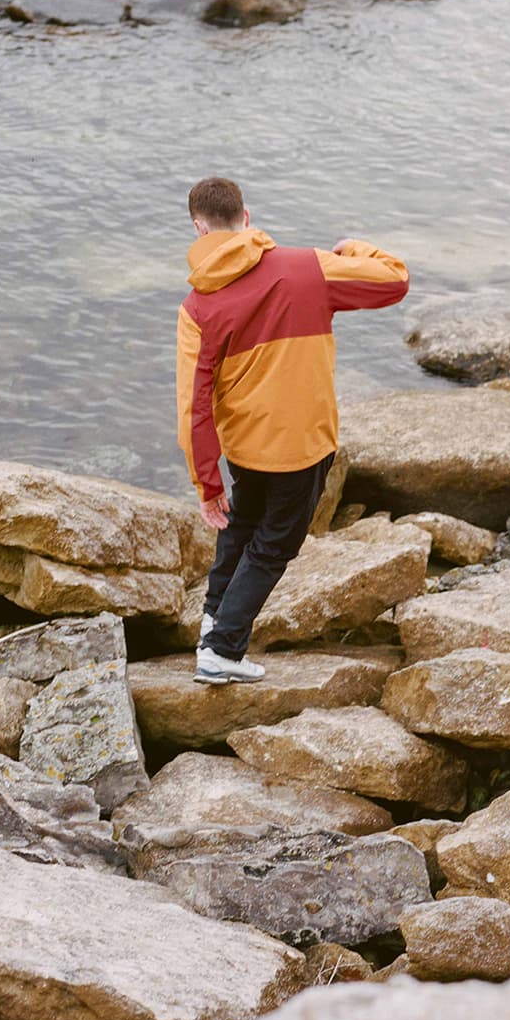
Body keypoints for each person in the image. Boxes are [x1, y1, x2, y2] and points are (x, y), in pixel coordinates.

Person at [176, 177, 409, 685]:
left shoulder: (197, 307)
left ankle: (212, 624)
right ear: (247, 215)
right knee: (274, 546)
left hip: (245, 446)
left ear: (199, 227)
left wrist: (206, 482)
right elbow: (394, 279)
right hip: (303, 446)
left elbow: (192, 405)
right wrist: (355, 247)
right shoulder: (308, 268)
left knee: (240, 530)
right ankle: (221, 649)